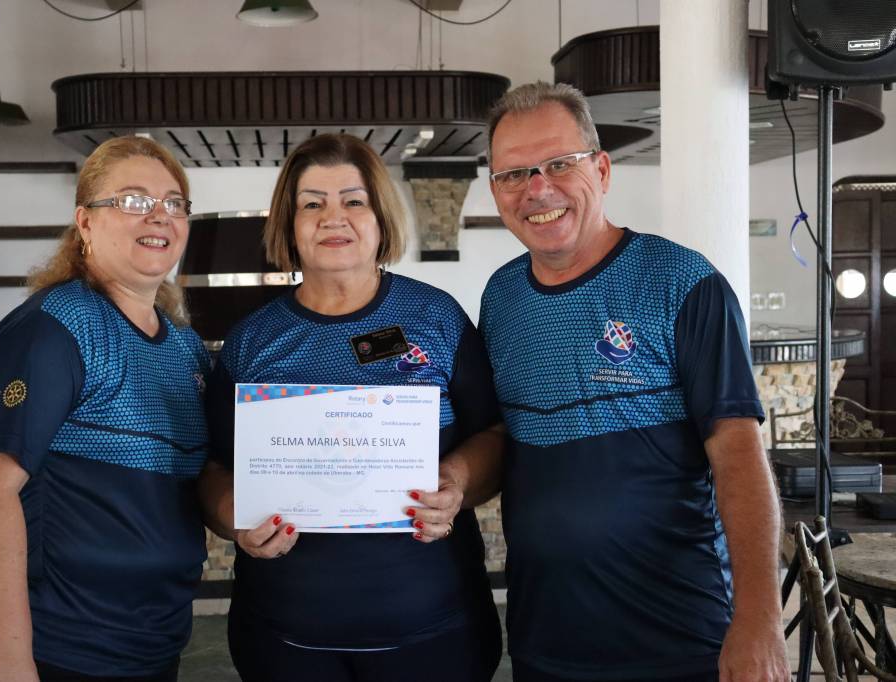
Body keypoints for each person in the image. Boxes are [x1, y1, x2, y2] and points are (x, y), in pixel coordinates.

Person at [479, 82, 789, 682]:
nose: (537, 189)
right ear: (496, 191)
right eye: (513, 174)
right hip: (546, 639)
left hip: (679, 637)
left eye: (559, 164)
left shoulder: (682, 283)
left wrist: (759, 619)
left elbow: (739, 456)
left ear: (601, 169)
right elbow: (502, 441)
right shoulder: (501, 298)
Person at [199, 132, 503, 682]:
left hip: (435, 635)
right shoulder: (252, 341)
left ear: (380, 217)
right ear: (289, 224)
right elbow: (213, 467)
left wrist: (456, 482)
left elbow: (495, 434)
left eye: (353, 201)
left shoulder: (436, 318)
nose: (332, 218)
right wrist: (233, 518)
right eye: (312, 203)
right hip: (285, 640)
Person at [0, 136, 211, 681]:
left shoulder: (184, 348)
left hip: (151, 642)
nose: (159, 215)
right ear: (86, 222)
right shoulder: (55, 328)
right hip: (59, 646)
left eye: (173, 203)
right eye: (134, 200)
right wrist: (9, 666)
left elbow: (198, 486)